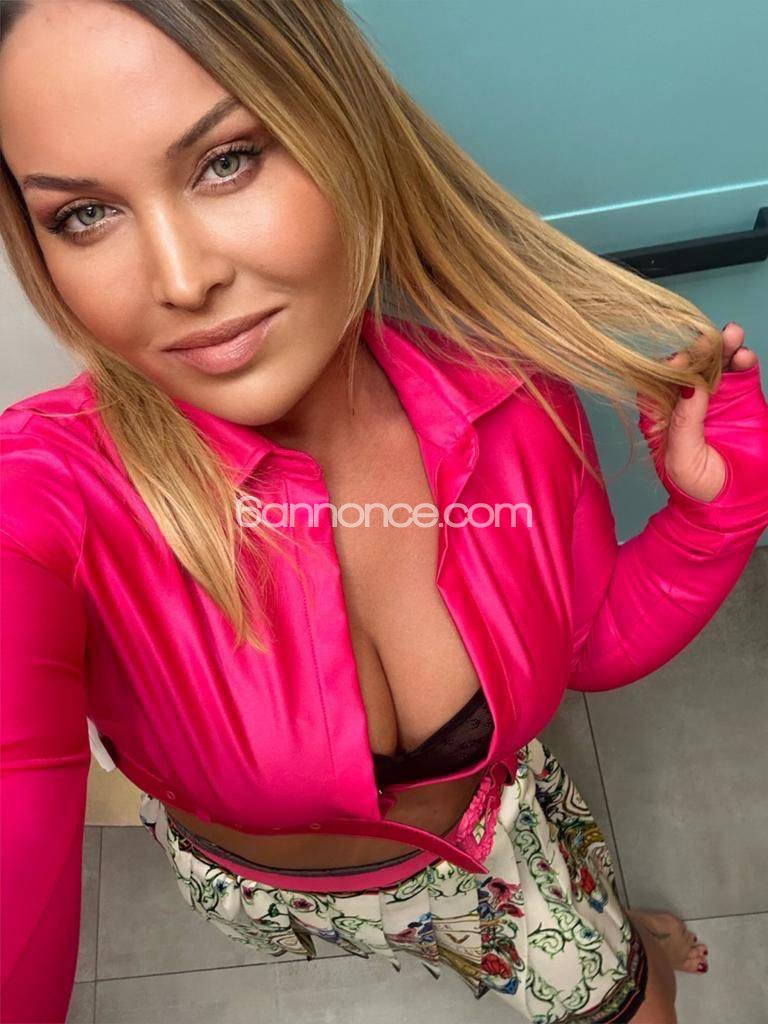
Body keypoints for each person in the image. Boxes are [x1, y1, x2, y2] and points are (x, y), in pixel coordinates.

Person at [1, 2, 766, 1022]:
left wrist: (716, 517)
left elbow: (587, 640)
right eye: (83, 215)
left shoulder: (514, 400)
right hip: (275, 893)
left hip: (499, 836)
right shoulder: (42, 496)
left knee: (630, 998)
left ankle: (621, 943)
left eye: (227, 160)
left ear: (343, 129)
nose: (182, 280)